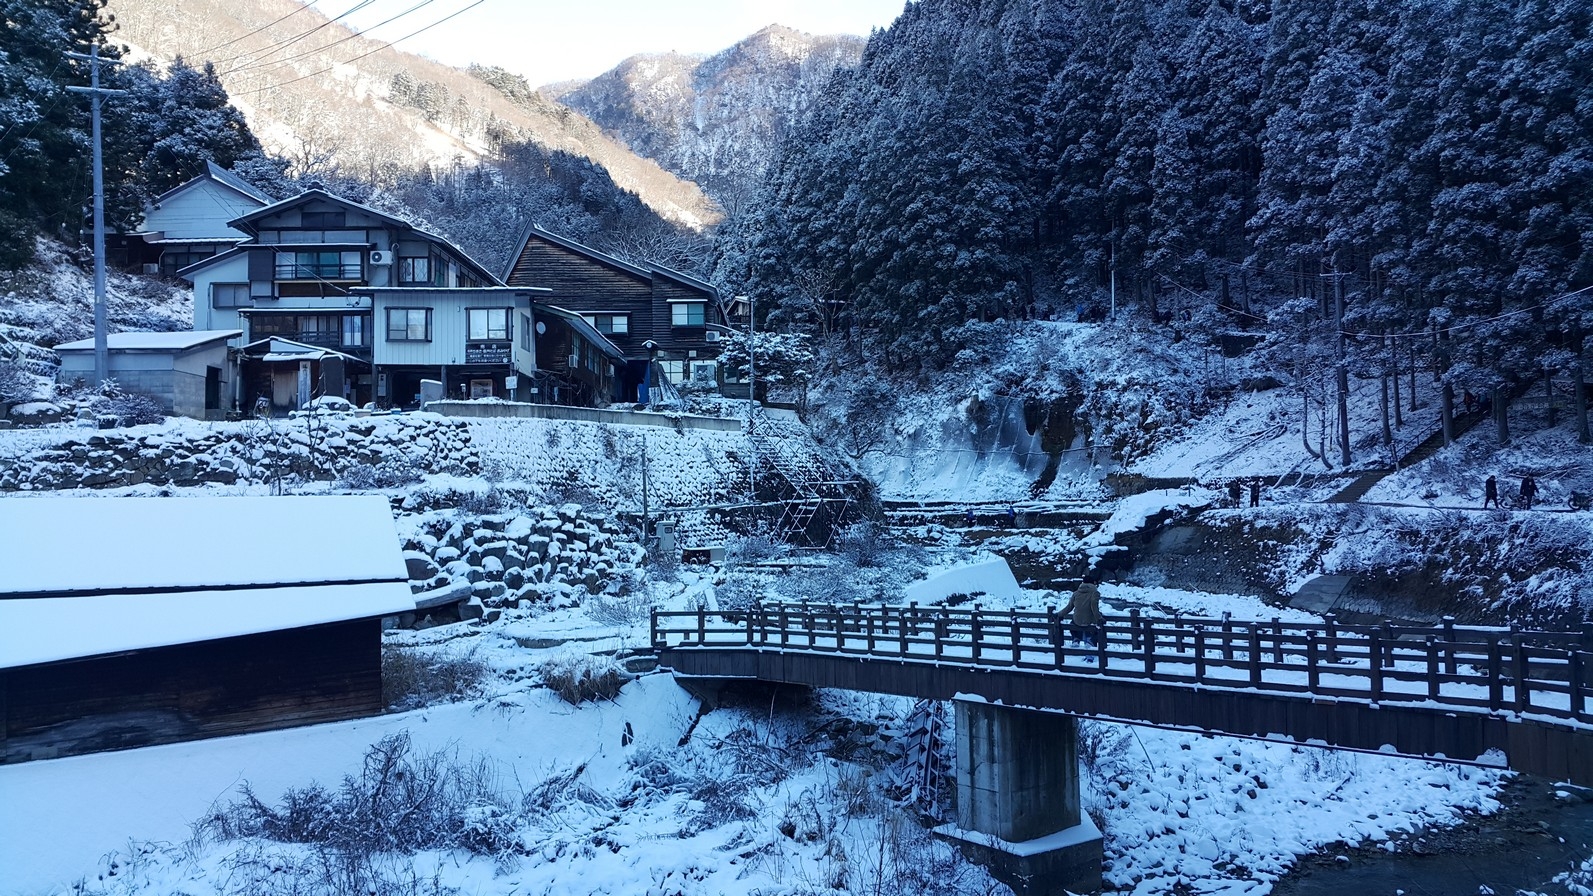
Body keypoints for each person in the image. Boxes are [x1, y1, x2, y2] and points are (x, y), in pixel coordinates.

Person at [1059, 575, 1103, 647]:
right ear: (1093, 583)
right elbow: (1094, 607)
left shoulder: (1076, 593)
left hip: (1077, 620)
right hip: (1090, 620)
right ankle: (1090, 642)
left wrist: (1058, 614)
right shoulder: (1095, 593)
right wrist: (1099, 618)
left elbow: (1069, 607)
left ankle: (1076, 639)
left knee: (1072, 623)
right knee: (1098, 626)